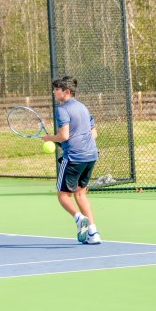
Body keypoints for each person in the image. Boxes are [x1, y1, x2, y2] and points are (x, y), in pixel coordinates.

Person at [42, 75, 101, 244]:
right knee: (81, 193)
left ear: (66, 92)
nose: (54, 92)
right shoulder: (83, 107)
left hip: (74, 158)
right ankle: (93, 233)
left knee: (63, 196)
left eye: (57, 90)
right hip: (91, 156)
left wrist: (49, 138)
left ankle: (78, 218)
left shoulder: (62, 109)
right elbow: (94, 134)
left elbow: (64, 135)